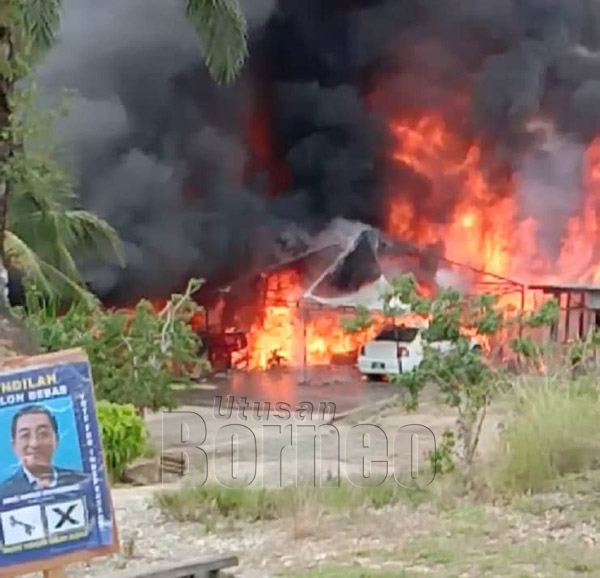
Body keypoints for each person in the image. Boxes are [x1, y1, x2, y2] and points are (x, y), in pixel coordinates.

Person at [0, 405, 87, 499]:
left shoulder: (81, 482)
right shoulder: (3, 493)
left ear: (56, 440)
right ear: (14, 445)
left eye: (43, 434)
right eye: (25, 435)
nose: (34, 444)